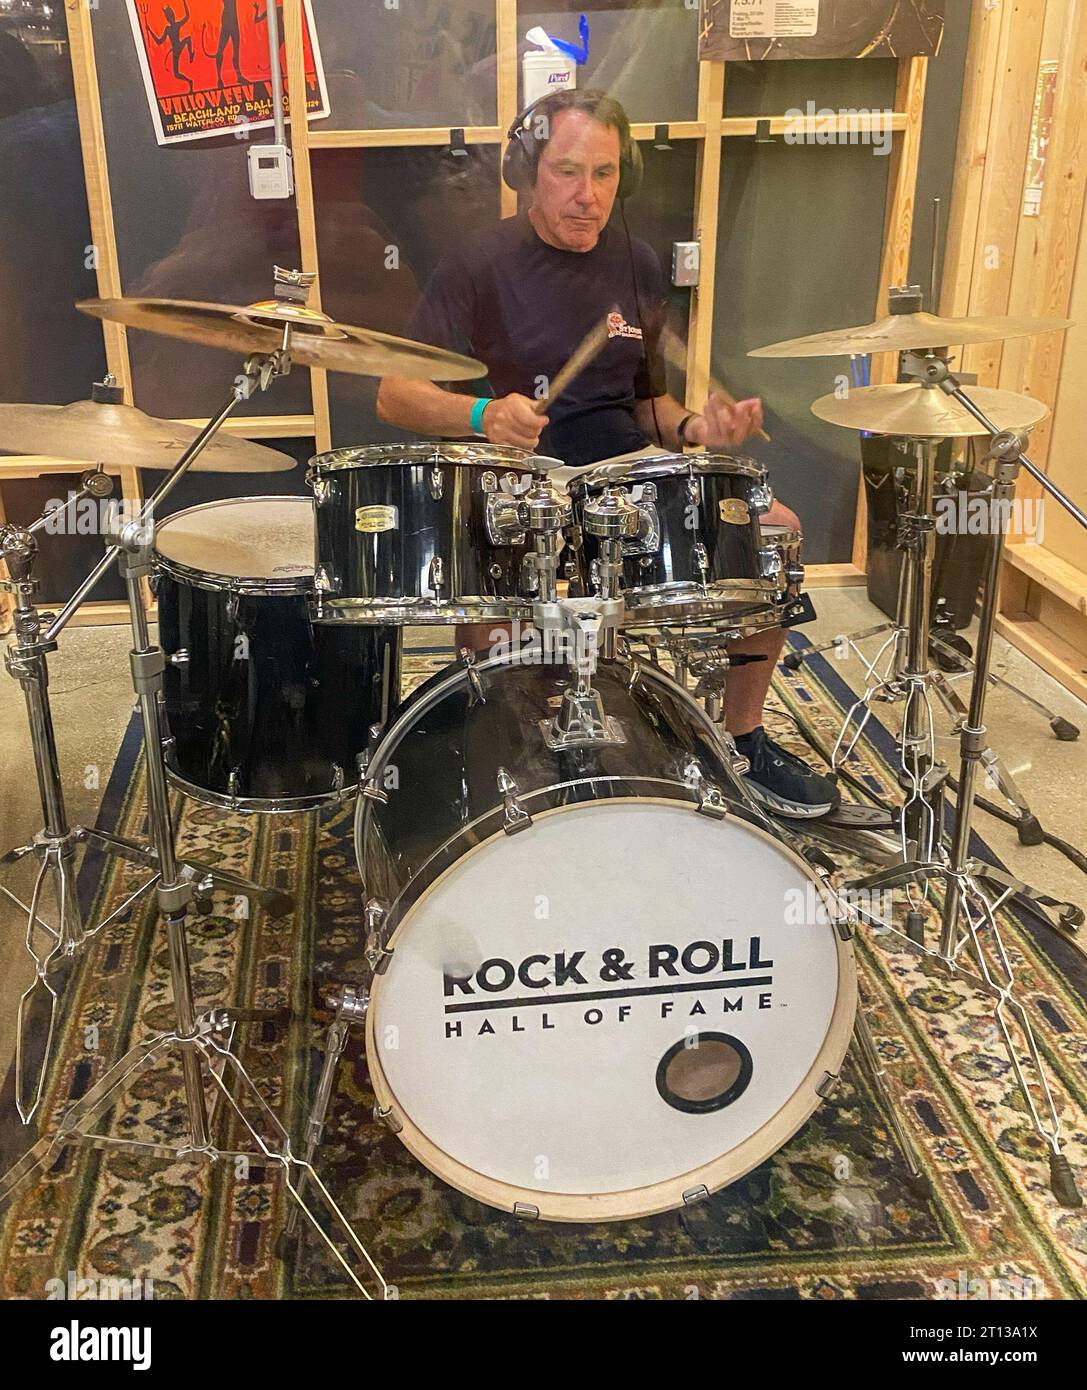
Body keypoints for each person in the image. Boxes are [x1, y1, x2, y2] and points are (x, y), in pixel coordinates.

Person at [376, 89, 838, 819]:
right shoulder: (475, 264)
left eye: (603, 174)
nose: (586, 195)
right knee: (496, 637)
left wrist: (694, 430)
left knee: (771, 532)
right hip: (515, 484)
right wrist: (481, 412)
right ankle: (502, 760)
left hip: (618, 477)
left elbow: (646, 402)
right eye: (566, 171)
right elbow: (394, 394)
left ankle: (744, 739)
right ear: (528, 169)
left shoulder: (636, 263)